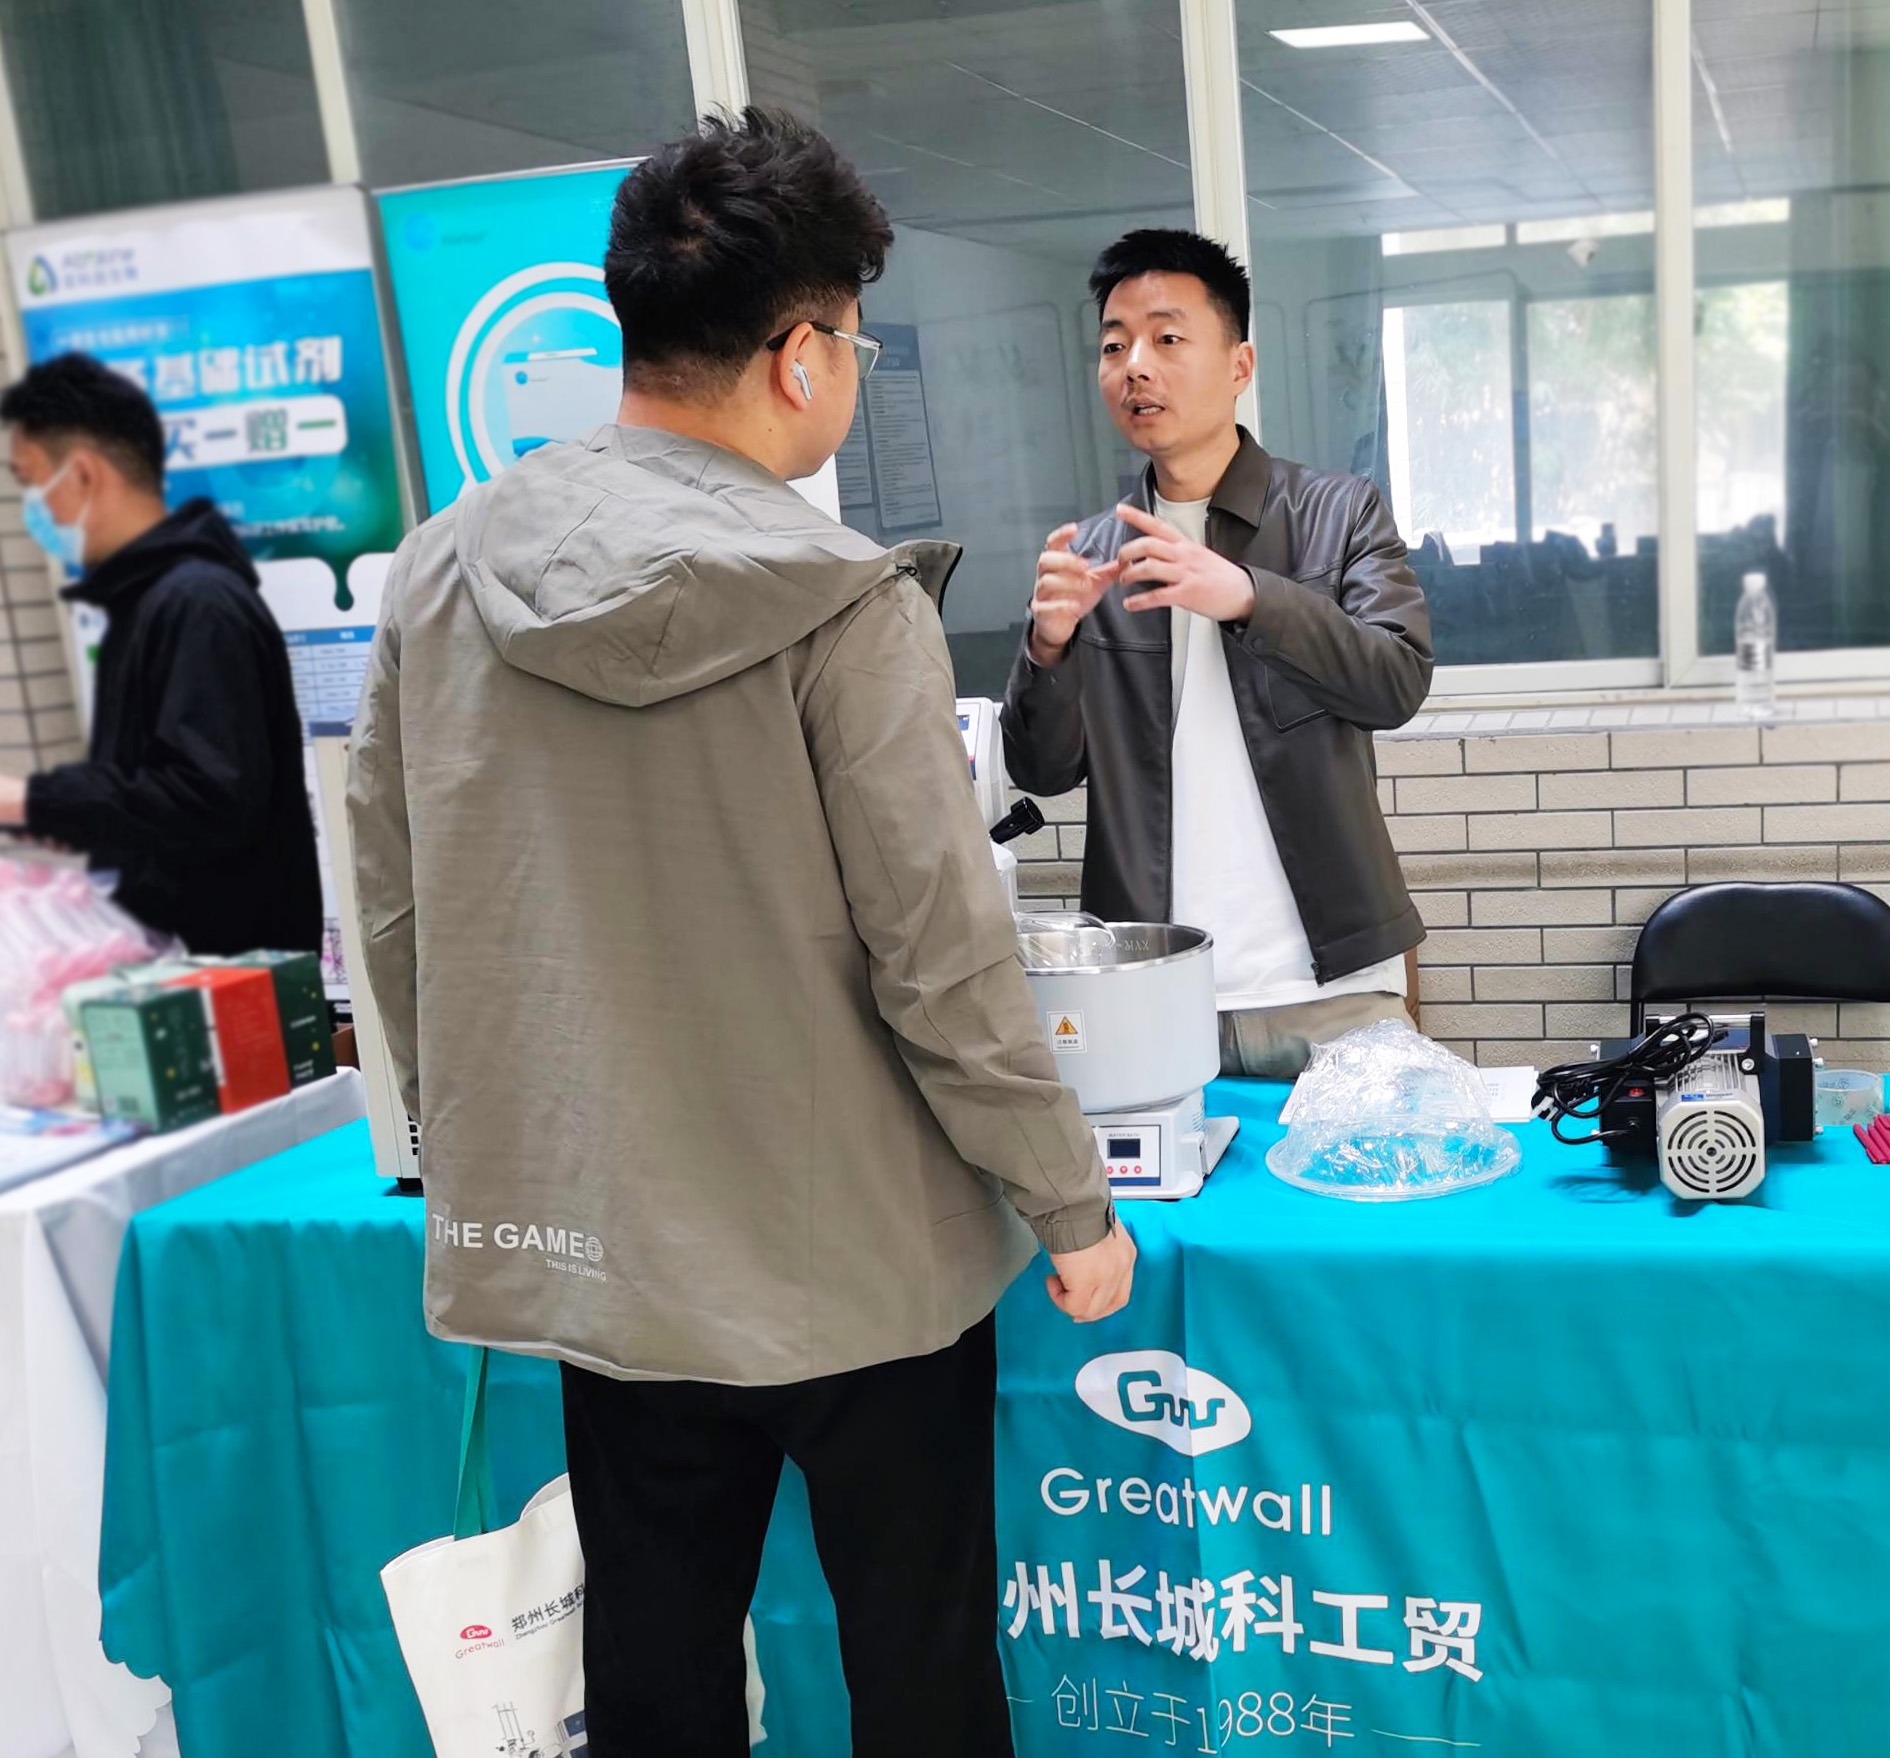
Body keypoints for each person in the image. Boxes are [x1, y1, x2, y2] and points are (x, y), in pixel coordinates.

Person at [347, 107, 1132, 1758]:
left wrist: (468, 1155)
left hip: (610, 1251)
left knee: (655, 1667)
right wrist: (1068, 1200)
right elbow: (941, 960)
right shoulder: (841, 601)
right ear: (797, 355)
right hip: (865, 1259)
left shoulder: (435, 578)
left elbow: (399, 909)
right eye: (851, 338)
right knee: (918, 1670)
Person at [1002, 229, 1433, 1079]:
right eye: (1114, 346)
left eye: (1167, 338)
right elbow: (1043, 770)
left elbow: (1395, 680)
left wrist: (1248, 596)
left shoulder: (1338, 511)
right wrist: (1047, 646)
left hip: (1332, 985)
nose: (1136, 366)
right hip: (1152, 993)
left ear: (1240, 365)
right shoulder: (1091, 555)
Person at [0, 352, 320, 954]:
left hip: (228, 976)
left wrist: (35, 801)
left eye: (30, 480)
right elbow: (161, 787)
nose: (32, 507)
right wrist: (82, 819)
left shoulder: (195, 603)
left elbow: (210, 799)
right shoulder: (148, 599)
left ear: (83, 475)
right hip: (193, 965)